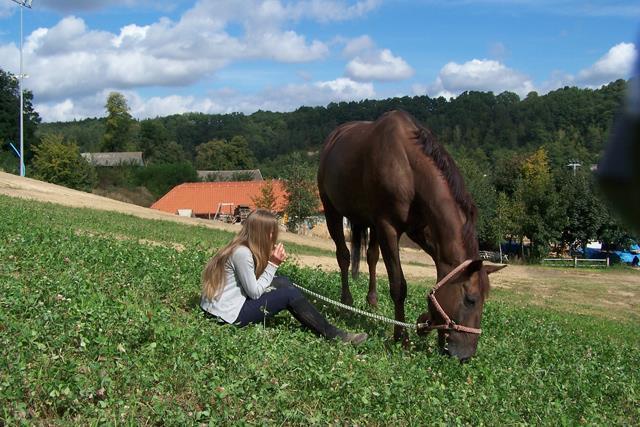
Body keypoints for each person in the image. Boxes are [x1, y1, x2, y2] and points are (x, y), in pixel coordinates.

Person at [200, 208, 368, 345]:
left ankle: (312, 318)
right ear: (263, 233)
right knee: (288, 294)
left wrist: (269, 263)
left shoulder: (240, 246)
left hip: (217, 308)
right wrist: (273, 264)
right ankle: (335, 335)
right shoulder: (242, 254)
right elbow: (255, 293)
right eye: (272, 232)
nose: (275, 236)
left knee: (283, 282)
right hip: (228, 316)